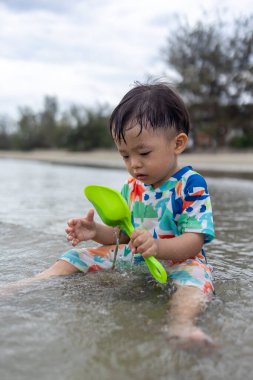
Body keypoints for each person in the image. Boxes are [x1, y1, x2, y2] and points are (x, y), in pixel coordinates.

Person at [2, 82, 215, 347]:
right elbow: (122, 235)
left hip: (182, 260)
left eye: (144, 153)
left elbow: (195, 240)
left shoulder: (191, 184)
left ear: (178, 144)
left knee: (195, 283)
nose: (134, 164)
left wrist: (157, 246)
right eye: (125, 156)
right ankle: (30, 284)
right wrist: (97, 232)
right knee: (76, 255)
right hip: (138, 258)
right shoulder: (132, 186)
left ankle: (182, 325)